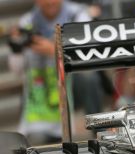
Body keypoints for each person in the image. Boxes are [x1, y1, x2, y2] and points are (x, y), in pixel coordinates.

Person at [8, 0, 91, 144]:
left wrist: (56, 52)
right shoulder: (27, 21)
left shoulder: (77, 15)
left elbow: (90, 57)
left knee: (90, 77)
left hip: (72, 91)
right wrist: (17, 49)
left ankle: (92, 125)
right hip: (40, 97)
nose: (50, 2)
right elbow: (16, 70)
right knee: (35, 141)